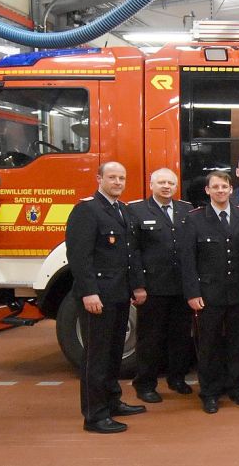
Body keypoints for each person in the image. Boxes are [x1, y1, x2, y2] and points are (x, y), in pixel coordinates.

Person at [65, 161, 146, 434]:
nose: (118, 182)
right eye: (112, 177)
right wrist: (89, 292)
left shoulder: (122, 210)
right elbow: (79, 256)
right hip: (97, 295)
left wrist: (136, 287)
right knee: (96, 357)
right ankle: (94, 415)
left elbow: (130, 254)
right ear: (99, 178)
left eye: (122, 178)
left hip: (119, 294)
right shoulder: (87, 210)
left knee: (113, 355)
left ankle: (112, 401)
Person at [181, 171, 239, 414]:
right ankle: (209, 392)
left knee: (238, 344)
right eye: (216, 187)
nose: (221, 190)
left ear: (232, 190)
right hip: (208, 294)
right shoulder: (195, 219)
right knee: (209, 346)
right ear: (207, 190)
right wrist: (192, 292)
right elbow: (187, 260)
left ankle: (237, 388)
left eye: (225, 186)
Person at [127, 168, 194, 403]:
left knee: (181, 337)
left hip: (181, 287)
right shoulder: (136, 210)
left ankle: (177, 379)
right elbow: (132, 252)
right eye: (161, 182)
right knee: (150, 339)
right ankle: (145, 384)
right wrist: (138, 286)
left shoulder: (187, 209)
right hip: (153, 287)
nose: (166, 186)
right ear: (151, 184)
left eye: (171, 183)